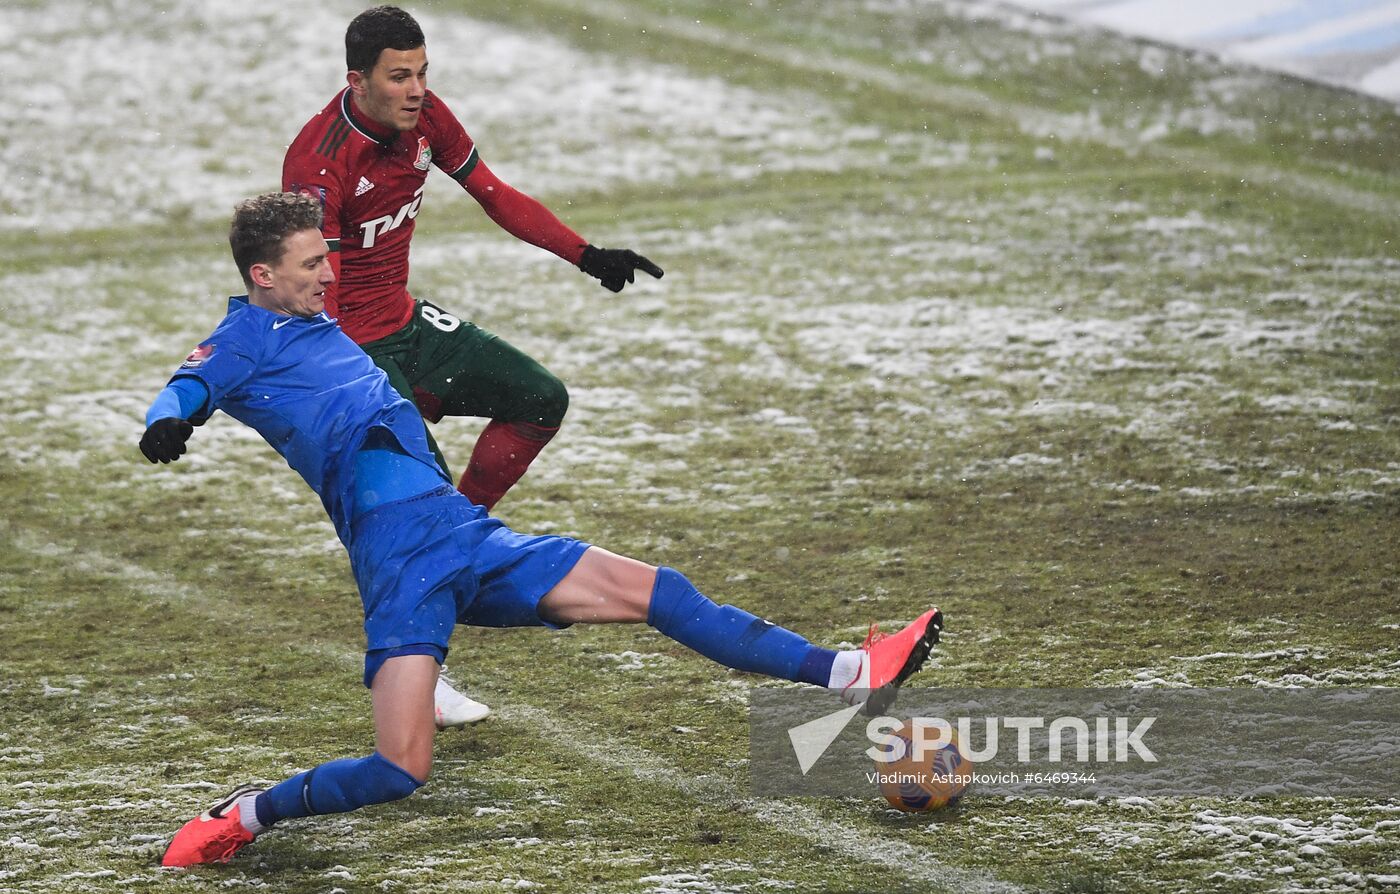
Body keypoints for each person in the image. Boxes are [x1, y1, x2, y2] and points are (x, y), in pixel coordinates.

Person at [142, 194, 941, 869]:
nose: (329, 272)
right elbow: (185, 386)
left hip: (464, 536)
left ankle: (849, 672)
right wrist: (168, 424)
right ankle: (246, 815)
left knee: (655, 589)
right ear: (263, 275)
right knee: (398, 767)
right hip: (401, 569)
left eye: (327, 257)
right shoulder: (241, 340)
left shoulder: (323, 318)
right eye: (312, 263)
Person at [282, 5, 663, 513]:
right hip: (348, 345)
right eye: (399, 77)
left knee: (541, 398)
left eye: (422, 72)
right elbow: (317, 281)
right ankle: (443, 546)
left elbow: (494, 194)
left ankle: (463, 530)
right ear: (358, 81)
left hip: (405, 323)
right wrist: (347, 380)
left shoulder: (427, 116)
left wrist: (585, 255)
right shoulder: (320, 161)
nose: (417, 89)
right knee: (422, 489)